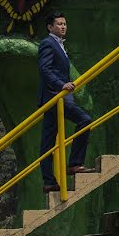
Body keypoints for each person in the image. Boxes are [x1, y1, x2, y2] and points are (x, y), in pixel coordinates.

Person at [37, 12, 94, 194]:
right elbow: (44, 69)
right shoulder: (48, 43)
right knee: (84, 120)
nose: (63, 26)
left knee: (48, 140)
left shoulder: (59, 45)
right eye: (59, 24)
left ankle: (49, 182)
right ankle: (75, 164)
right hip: (55, 97)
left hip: (57, 98)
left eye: (64, 24)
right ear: (50, 27)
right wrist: (61, 85)